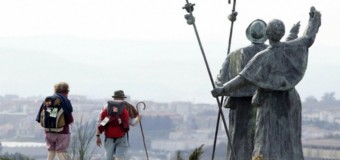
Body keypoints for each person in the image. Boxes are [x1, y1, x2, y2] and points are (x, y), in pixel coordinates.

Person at [212, 7, 321, 160]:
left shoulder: (262, 57)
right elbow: (308, 37)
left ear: (267, 35)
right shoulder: (291, 48)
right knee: (289, 138)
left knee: (267, 139)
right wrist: (313, 19)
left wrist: (222, 90)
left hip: (270, 102)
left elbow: (242, 79)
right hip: (290, 100)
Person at [96, 90, 141, 160]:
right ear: (123, 98)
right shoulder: (126, 107)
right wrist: (138, 118)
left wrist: (98, 136)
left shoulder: (106, 107)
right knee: (120, 158)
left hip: (109, 138)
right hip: (122, 137)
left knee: (109, 158)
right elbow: (132, 123)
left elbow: (100, 123)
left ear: (114, 98)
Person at [36, 82, 74, 160]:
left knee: (51, 151)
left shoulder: (48, 100)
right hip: (62, 131)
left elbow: (40, 116)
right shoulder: (64, 100)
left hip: (48, 131)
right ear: (66, 91)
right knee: (62, 151)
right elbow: (70, 119)